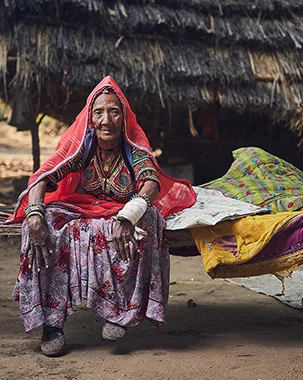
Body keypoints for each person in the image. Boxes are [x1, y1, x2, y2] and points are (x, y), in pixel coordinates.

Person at [8, 76, 196, 357]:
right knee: (45, 224)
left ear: (124, 117)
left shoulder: (134, 149)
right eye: (98, 112)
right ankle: (51, 322)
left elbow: (150, 182)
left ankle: (117, 310)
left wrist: (128, 215)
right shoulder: (82, 147)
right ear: (90, 118)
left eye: (113, 111)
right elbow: (44, 177)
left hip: (121, 212)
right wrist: (34, 214)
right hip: (85, 206)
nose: (106, 120)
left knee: (148, 220)